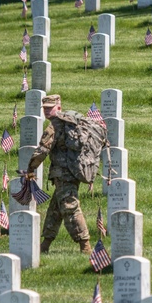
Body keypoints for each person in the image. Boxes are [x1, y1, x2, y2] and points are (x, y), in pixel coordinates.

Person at [26, 94, 105, 254]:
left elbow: (42, 150)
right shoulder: (69, 123)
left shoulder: (54, 126)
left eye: (50, 108)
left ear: (59, 107)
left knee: (70, 207)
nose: (47, 112)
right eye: (45, 109)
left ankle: (86, 246)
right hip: (73, 172)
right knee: (55, 210)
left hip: (64, 174)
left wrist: (30, 168)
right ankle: (45, 244)